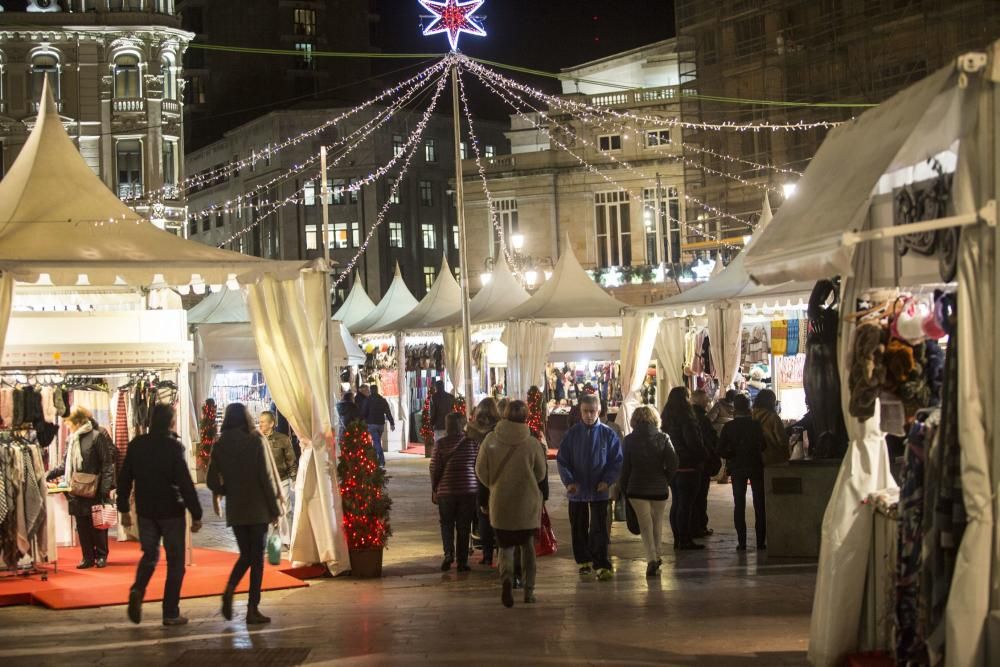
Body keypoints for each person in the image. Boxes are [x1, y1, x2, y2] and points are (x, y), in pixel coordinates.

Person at [118, 404, 203, 626]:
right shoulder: (173, 447)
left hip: (146, 510)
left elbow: (124, 478)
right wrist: (196, 513)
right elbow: (184, 482)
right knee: (175, 562)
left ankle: (138, 589)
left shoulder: (137, 445)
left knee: (149, 555)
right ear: (170, 422)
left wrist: (124, 508)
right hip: (171, 510)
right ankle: (170, 612)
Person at [207, 403, 282, 625]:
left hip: (236, 508)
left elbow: (211, 480)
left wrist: (225, 490)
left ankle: (230, 588)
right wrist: (275, 509)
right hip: (257, 507)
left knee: (245, 555)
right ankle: (252, 608)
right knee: (256, 560)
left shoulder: (220, 445)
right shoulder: (255, 440)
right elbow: (265, 477)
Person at [476, 400, 547, 607]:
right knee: (527, 547)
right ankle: (529, 591)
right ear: (525, 417)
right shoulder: (532, 443)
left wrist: (493, 485)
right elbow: (541, 473)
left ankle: (506, 578)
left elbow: (480, 471)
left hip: (501, 501)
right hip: (527, 502)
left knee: (505, 546)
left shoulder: (490, 439)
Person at [556, 394, 623, 581]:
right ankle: (583, 560)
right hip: (577, 490)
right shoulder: (572, 434)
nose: (589, 415)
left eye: (592, 411)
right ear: (580, 411)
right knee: (578, 526)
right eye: (585, 411)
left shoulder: (608, 434)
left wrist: (607, 481)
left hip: (599, 490)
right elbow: (563, 460)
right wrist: (569, 481)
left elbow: (616, 461)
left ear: (599, 411)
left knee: (599, 528)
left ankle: (601, 563)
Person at [46, 406, 116, 569]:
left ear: (77, 421)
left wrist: (105, 488)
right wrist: (47, 474)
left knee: (97, 523)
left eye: (69, 422)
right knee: (82, 524)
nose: (67, 425)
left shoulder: (97, 436)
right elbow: (65, 465)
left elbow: (107, 464)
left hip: (95, 488)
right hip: (77, 488)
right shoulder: (71, 440)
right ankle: (87, 557)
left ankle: (101, 555)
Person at [620, 405, 679, 577]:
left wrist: (624, 488)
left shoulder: (629, 440)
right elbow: (674, 462)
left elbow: (625, 468)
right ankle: (657, 555)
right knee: (657, 523)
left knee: (645, 526)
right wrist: (666, 479)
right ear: (655, 419)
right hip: (659, 489)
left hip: (636, 488)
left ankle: (651, 559)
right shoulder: (663, 438)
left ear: (634, 420)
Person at [660, 387, 708, 550]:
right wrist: (703, 455)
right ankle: (685, 539)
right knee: (686, 505)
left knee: (677, 503)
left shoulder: (666, 419)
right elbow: (693, 442)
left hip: (673, 466)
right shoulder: (686, 418)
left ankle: (677, 539)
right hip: (688, 466)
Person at [718, 395, 767, 551]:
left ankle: (742, 542)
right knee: (759, 504)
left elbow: (720, 449)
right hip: (755, 466)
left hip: (737, 467)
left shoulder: (729, 427)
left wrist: (732, 455)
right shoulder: (756, 425)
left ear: (735, 409)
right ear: (748, 408)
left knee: (739, 504)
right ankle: (760, 542)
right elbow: (763, 445)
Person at [431, 412, 478, 572]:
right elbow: (477, 464)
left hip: (446, 489)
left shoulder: (441, 444)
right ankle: (462, 561)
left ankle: (448, 554)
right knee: (464, 526)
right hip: (468, 489)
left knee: (446, 523)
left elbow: (434, 468)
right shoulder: (472, 443)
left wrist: (435, 488)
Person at [466, 397, 502, 566]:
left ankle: (487, 554)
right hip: (498, 475)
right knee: (499, 517)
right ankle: (501, 551)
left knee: (483, 515)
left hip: (478, 477)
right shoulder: (499, 429)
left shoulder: (471, 430)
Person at [260, 410, 297, 548]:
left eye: (263, 422)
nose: (260, 424)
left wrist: (294, 477)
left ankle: (286, 540)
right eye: (260, 421)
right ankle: (270, 541)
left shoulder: (283, 439)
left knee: (285, 511)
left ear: (271, 424)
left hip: (282, 479)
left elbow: (291, 459)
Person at [690, 390, 721, 539]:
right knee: (700, 497)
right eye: (706, 400)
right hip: (701, 463)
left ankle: (689, 528)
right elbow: (710, 440)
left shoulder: (686, 417)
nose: (708, 402)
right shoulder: (702, 419)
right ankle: (699, 526)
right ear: (701, 401)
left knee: (689, 499)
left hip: (687, 465)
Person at [754, 389, 789, 467]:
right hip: (773, 459)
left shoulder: (751, 416)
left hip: (755, 458)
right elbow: (782, 440)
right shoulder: (773, 417)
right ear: (771, 402)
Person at [362, 384, 395, 467]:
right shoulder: (382, 400)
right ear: (377, 390)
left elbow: (364, 412)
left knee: (376, 442)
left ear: (370, 391)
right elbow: (388, 412)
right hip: (380, 424)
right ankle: (375, 460)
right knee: (377, 441)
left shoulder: (368, 400)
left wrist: (363, 420)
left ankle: (381, 461)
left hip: (371, 424)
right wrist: (392, 423)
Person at [429, 379, 456, 444]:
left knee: (439, 445)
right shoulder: (451, 397)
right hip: (449, 425)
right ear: (443, 386)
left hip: (438, 426)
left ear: (436, 387)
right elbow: (453, 411)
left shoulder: (434, 397)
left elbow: (433, 413)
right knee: (448, 445)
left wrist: (431, 424)